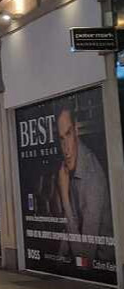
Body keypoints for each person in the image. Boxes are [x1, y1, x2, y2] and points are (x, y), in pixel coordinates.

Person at [54, 103, 113, 262]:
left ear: (77, 131)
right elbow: (70, 225)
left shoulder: (92, 179)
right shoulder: (70, 166)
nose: (66, 149)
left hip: (102, 266)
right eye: (61, 139)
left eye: (68, 134)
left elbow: (85, 260)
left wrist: (64, 195)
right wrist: (58, 259)